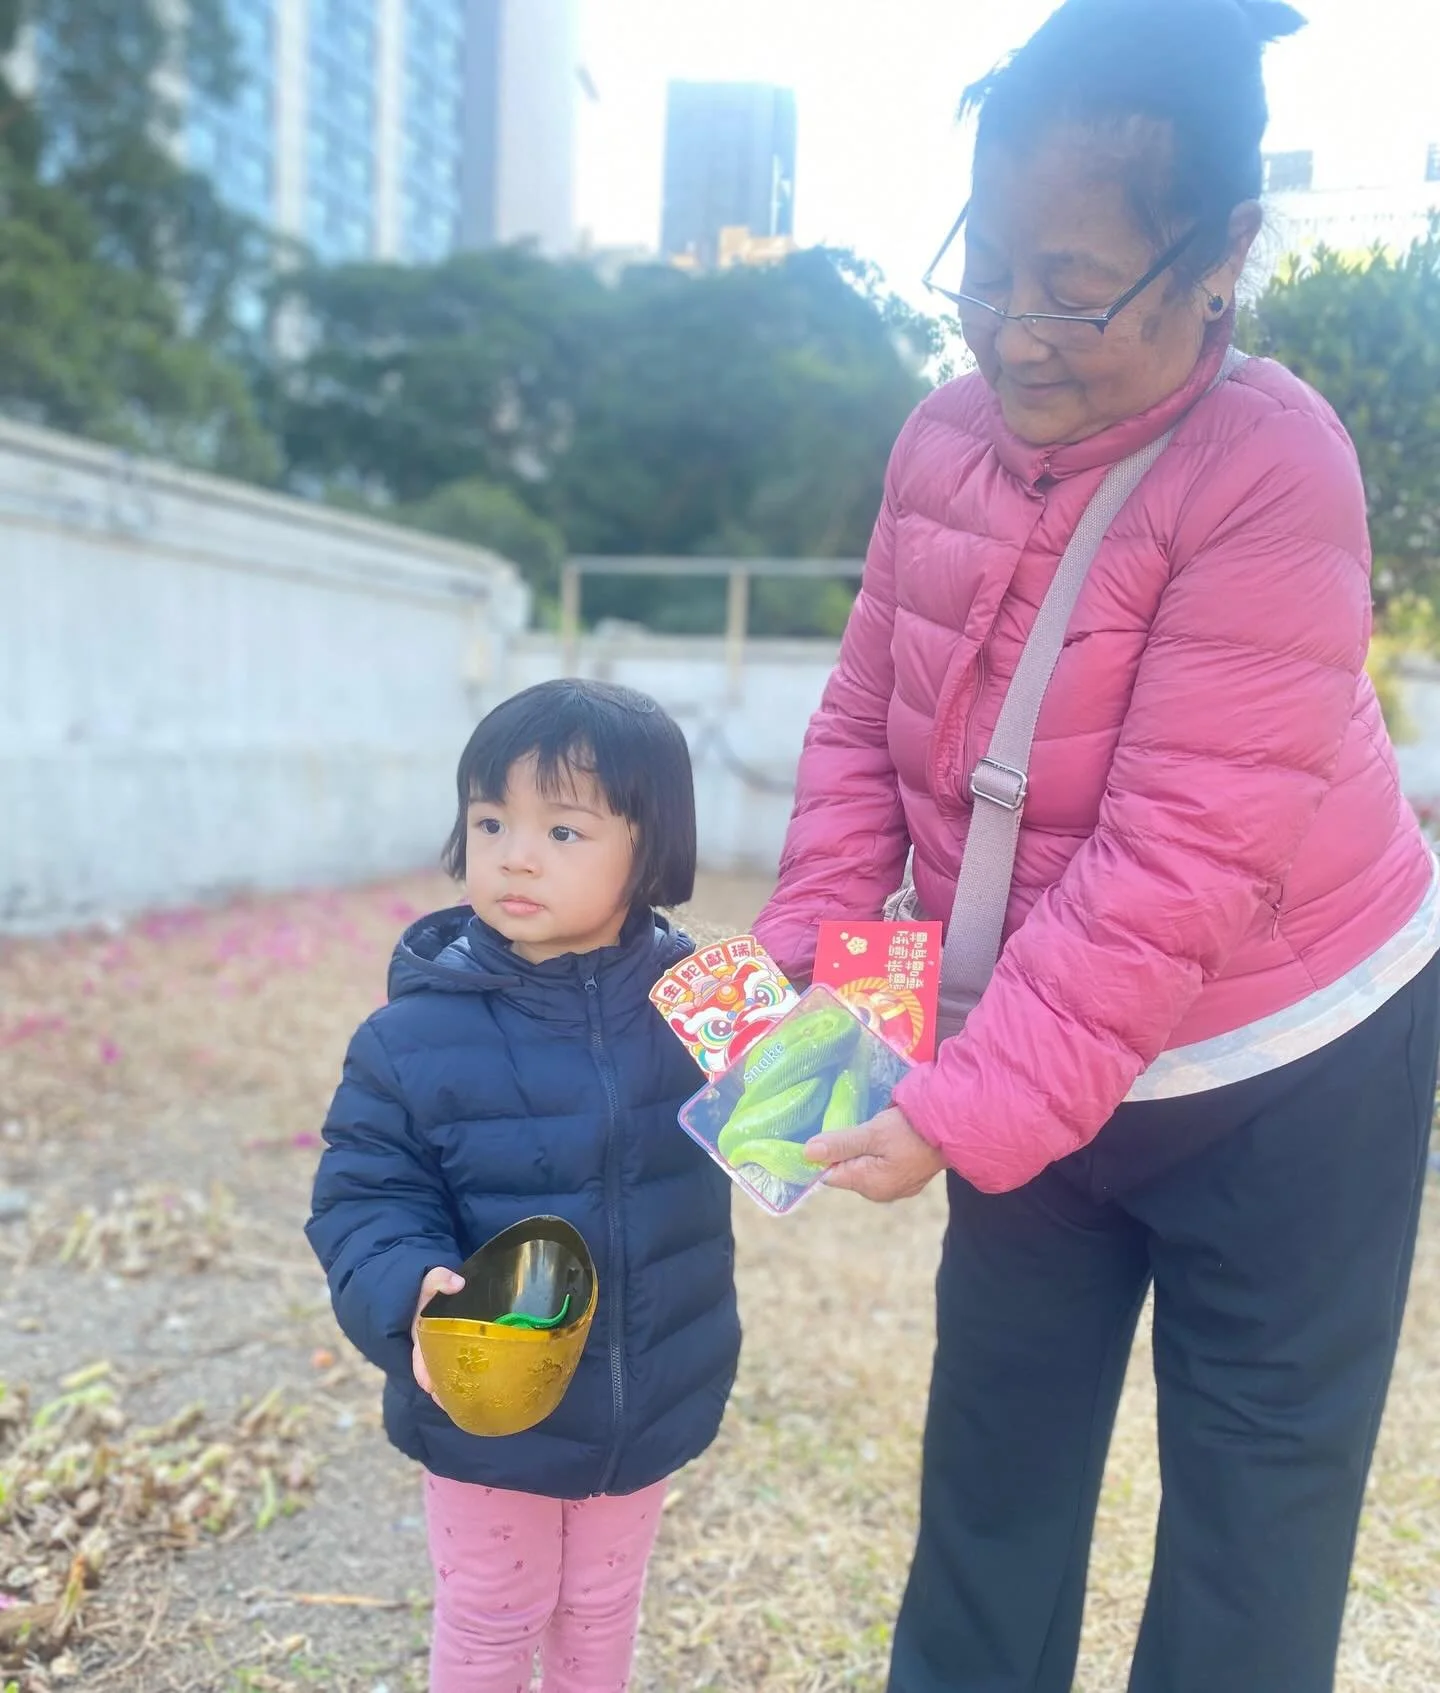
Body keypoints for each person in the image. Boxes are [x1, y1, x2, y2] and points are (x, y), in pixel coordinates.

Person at [753, 3, 1440, 1690]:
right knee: (989, 1475)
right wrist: (829, 1012)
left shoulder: (1273, 469)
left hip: (1297, 1061)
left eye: (1074, 287)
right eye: (985, 267)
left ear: (1221, 261)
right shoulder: (939, 436)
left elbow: (1173, 863)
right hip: (1042, 1061)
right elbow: (867, 725)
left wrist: (961, 1110)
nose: (1013, 327)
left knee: (1252, 1530)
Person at [307, 679, 740, 1693]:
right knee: (496, 1610)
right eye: (491, 818)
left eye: (564, 827)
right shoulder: (411, 1037)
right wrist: (407, 1285)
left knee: (600, 1606)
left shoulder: (705, 1006)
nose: (515, 852)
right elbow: (362, 1195)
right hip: (488, 1397)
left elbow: (796, 1123)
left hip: (647, 1387)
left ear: (652, 850)